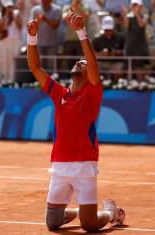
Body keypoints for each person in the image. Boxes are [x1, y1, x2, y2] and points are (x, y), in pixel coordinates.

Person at [27, 9, 125, 232]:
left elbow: (93, 63)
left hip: (84, 166)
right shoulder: (58, 93)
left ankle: (111, 212)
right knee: (53, 223)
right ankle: (82, 212)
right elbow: (35, 68)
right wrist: (31, 37)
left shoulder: (92, 94)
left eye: (82, 63)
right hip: (59, 166)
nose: (79, 63)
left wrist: (81, 31)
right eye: (77, 62)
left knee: (89, 226)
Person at [30, 0, 61, 72]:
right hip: (38, 43)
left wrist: (45, 18)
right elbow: (31, 26)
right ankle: (39, 82)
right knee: (39, 67)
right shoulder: (35, 10)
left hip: (52, 44)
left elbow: (55, 25)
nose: (44, 1)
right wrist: (38, 20)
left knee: (51, 68)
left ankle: (52, 82)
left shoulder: (57, 9)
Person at [122, 0, 149, 81]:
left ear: (141, 7)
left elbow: (141, 24)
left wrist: (136, 14)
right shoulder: (129, 16)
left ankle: (141, 86)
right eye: (133, 5)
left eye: (136, 5)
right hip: (130, 47)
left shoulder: (145, 16)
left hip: (140, 48)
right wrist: (125, 15)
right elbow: (126, 26)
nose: (134, 7)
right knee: (128, 69)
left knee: (139, 70)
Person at [93, 15, 125, 81]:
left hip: (116, 62)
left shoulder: (121, 38)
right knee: (93, 69)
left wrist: (116, 53)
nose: (108, 31)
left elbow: (125, 52)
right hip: (102, 63)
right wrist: (101, 54)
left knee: (119, 70)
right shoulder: (97, 39)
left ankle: (115, 85)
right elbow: (91, 54)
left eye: (110, 29)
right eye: (106, 29)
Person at [0, 0, 22, 84]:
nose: (9, 8)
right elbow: (0, 29)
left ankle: (14, 79)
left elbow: (20, 26)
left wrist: (13, 17)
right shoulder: (0, 16)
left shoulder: (17, 13)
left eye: (10, 6)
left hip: (15, 41)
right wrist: (5, 18)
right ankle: (4, 79)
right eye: (8, 7)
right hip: (5, 42)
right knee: (4, 60)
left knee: (14, 60)